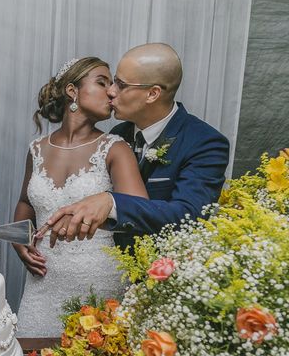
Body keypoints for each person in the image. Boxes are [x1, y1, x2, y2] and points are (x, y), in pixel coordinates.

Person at [38, 43, 230, 250]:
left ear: (152, 94)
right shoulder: (117, 135)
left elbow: (188, 216)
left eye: (120, 84)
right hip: (111, 265)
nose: (110, 91)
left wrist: (111, 203)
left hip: (162, 272)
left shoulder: (205, 143)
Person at [14, 57, 147, 337]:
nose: (111, 91)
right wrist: (20, 241)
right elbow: (26, 203)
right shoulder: (37, 149)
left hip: (98, 281)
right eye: (102, 82)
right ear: (72, 91)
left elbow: (139, 210)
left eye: (112, 84)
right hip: (42, 285)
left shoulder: (115, 148)